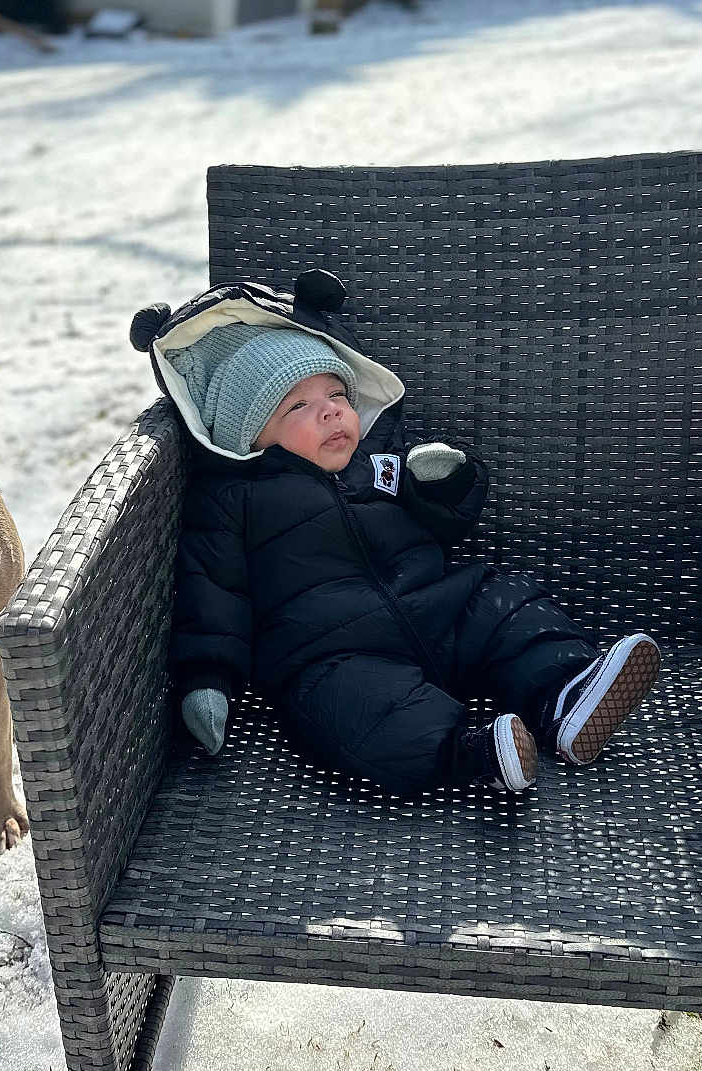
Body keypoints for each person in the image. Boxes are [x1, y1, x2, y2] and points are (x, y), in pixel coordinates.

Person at [129, 276, 660, 798]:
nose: (332, 410)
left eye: (337, 393)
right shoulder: (232, 500)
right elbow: (212, 593)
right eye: (298, 405)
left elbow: (448, 521)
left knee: (507, 602)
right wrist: (207, 678)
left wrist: (445, 481)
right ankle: (471, 754)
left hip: (442, 606)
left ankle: (566, 696)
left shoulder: (379, 464)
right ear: (249, 435)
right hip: (338, 651)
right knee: (346, 707)